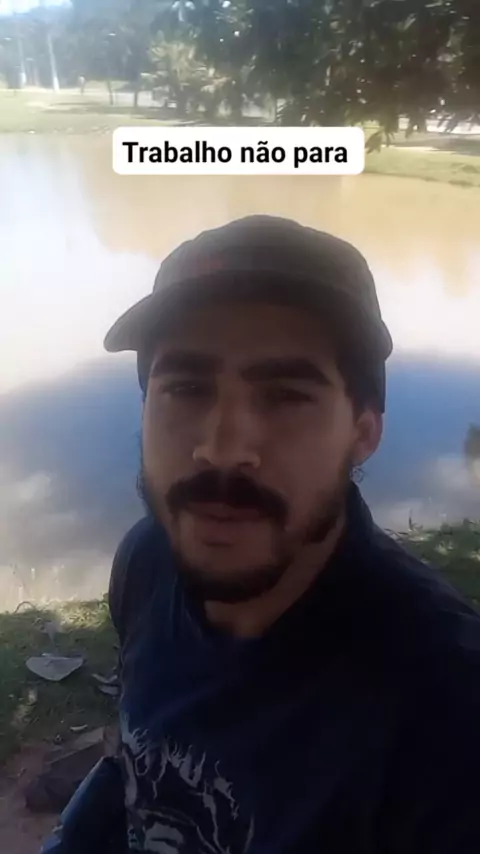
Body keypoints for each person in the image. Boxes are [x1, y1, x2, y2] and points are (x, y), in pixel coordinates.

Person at [102, 215, 480, 853]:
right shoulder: (146, 564)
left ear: (363, 432)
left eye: (284, 396)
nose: (222, 449)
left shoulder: (449, 714)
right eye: (186, 388)